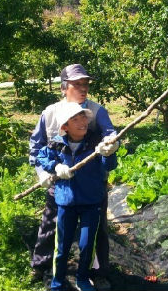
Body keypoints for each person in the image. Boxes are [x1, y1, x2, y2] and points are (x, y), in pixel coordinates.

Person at [29, 64, 118, 290]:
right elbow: (37, 147)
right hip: (59, 183)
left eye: (85, 84)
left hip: (91, 185)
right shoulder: (50, 114)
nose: (83, 88)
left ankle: (97, 272)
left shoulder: (97, 112)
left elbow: (111, 134)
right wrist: (43, 174)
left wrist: (112, 145)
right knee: (51, 224)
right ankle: (41, 266)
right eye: (77, 84)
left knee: (97, 230)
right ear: (63, 87)